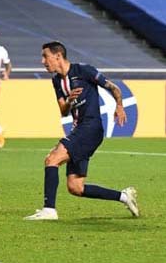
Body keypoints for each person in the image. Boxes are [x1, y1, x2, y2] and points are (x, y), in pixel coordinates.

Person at [24, 41, 139, 220]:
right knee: (75, 187)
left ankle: (49, 210)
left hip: (91, 127)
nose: (42, 61)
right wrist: (69, 100)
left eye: (45, 56)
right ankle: (124, 196)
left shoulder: (83, 71)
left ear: (58, 56)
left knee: (52, 159)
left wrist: (119, 105)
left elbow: (113, 87)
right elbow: (63, 110)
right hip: (79, 129)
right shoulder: (56, 81)